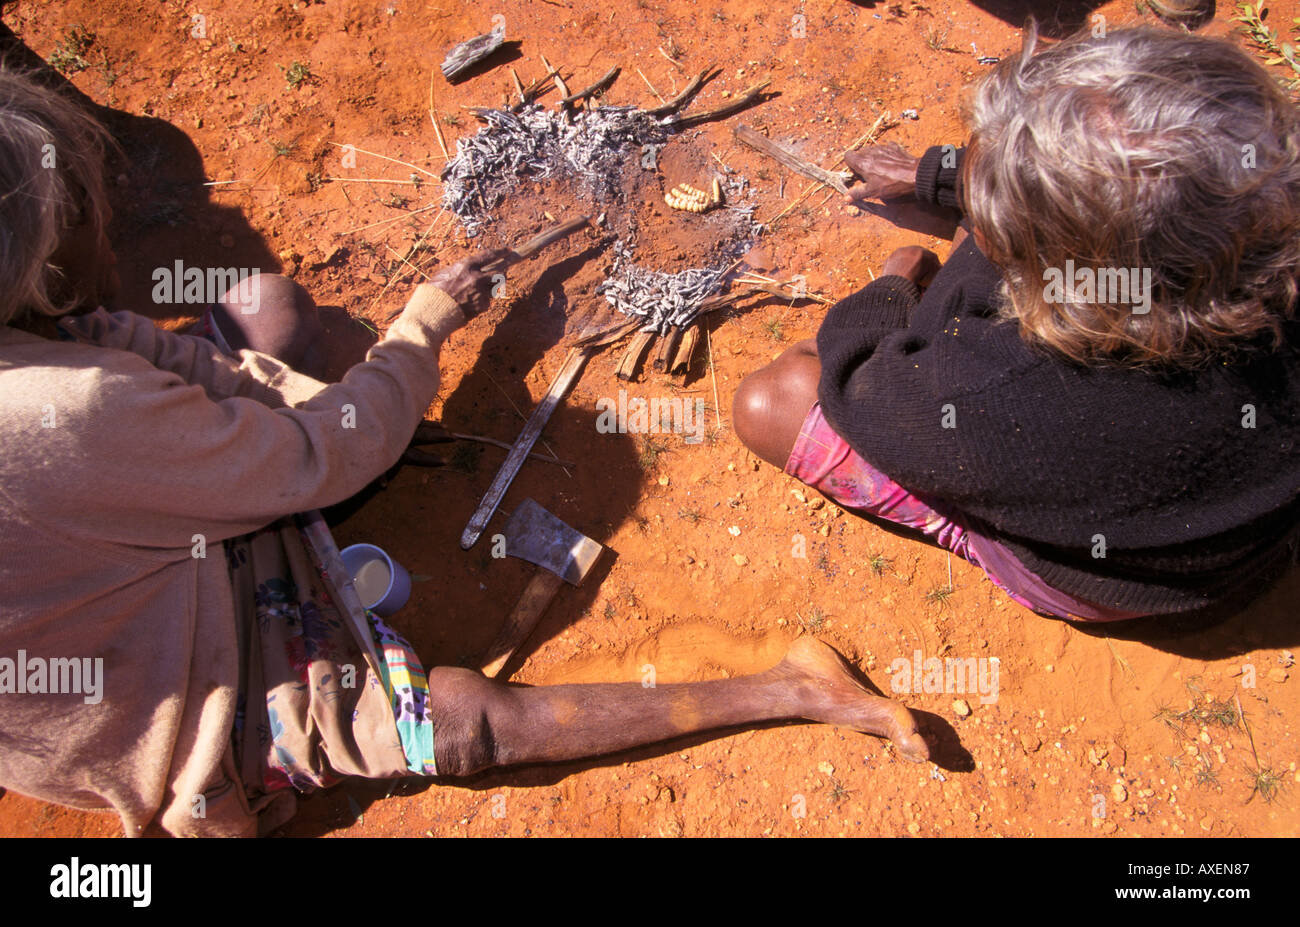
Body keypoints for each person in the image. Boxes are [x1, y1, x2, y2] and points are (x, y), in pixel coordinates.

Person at [0, 67, 926, 838]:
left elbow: (147, 353)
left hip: (118, 531)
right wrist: (421, 329)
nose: (109, 238)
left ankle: (288, 467)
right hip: (165, 692)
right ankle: (792, 690)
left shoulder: (47, 343)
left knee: (277, 318)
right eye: (90, 220)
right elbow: (323, 459)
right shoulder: (63, 414)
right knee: (462, 722)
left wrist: (330, 397)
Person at [734, 24, 1300, 625]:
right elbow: (1154, 190)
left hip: (1113, 582)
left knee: (770, 403)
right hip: (1236, 541)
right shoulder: (1257, 215)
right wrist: (940, 177)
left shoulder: (996, 388)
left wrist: (893, 285)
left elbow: (863, 378)